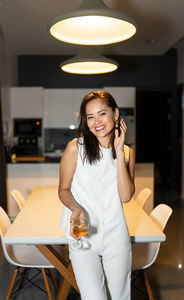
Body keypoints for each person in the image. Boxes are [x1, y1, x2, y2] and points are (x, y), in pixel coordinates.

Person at [58, 91, 135, 300]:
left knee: (120, 297)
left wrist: (119, 153)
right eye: (90, 117)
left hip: (116, 235)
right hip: (84, 237)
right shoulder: (75, 148)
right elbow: (63, 189)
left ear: (116, 114)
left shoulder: (127, 153)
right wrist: (76, 208)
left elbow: (126, 196)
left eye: (102, 114)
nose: (96, 122)